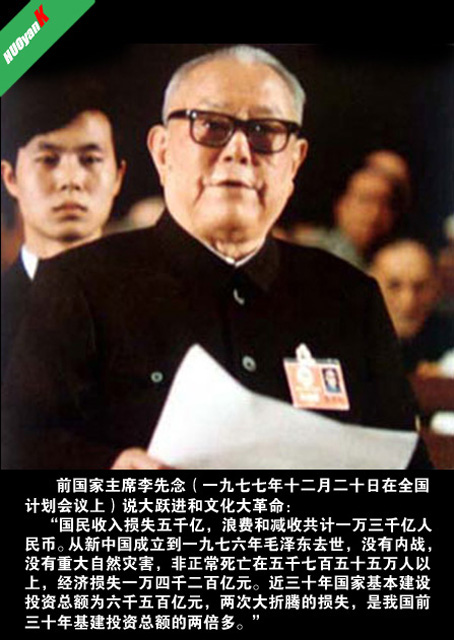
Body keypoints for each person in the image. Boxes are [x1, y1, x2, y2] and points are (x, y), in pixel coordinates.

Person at [1, 45, 428, 470]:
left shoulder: (351, 299)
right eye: (210, 125)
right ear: (162, 152)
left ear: (294, 163)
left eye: (265, 131)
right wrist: (111, 469)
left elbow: (408, 466)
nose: (239, 150)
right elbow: (20, 447)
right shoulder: (77, 286)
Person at [1, 87, 126, 380]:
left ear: (118, 177)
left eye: (90, 159)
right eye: (48, 159)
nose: (70, 180)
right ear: (11, 178)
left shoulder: (155, 307)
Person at [369, 238, 454, 373]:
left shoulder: (449, 336)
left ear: (436, 288)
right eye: (394, 286)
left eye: (420, 287)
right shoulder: (346, 340)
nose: (408, 301)